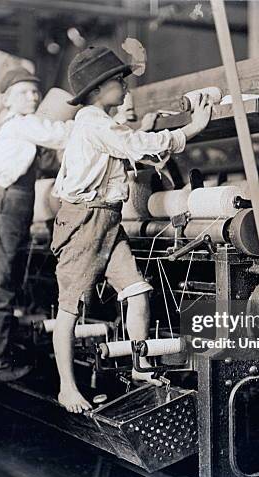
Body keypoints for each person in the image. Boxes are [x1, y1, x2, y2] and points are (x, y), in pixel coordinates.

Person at [51, 46, 212, 413]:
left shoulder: (102, 123)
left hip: (107, 219)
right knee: (70, 310)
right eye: (118, 81)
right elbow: (136, 145)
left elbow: (135, 146)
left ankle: (140, 366)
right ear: (95, 91)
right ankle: (66, 388)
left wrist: (156, 133)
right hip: (84, 221)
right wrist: (191, 129)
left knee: (137, 290)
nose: (125, 87)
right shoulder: (94, 122)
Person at [0, 67, 73, 387]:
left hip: (4, 204)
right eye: (24, 92)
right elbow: (62, 135)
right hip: (6, 206)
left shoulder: (13, 126)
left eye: (34, 91)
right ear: (6, 99)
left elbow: (44, 159)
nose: (33, 96)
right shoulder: (23, 124)